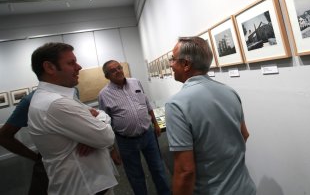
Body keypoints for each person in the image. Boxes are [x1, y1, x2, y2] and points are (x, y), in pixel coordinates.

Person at [165, 36, 256, 195]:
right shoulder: (230, 91)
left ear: (186, 64)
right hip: (244, 188)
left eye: (173, 59)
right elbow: (244, 134)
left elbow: (185, 171)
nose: (171, 64)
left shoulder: (176, 104)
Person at [28, 42, 118, 195]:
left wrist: (94, 130)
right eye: (71, 63)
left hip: (87, 185)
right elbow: (106, 137)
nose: (79, 67)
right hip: (86, 188)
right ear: (50, 67)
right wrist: (96, 133)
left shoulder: (58, 97)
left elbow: (99, 114)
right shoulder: (57, 103)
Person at [98, 60, 170, 195]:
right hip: (126, 141)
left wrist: (155, 124)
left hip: (148, 134)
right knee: (135, 175)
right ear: (107, 76)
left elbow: (146, 103)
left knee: (158, 168)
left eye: (119, 68)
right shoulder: (104, 94)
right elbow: (104, 123)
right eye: (113, 70)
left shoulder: (135, 82)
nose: (118, 71)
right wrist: (111, 149)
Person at [0, 91, 48, 195]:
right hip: (48, 164)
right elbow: (3, 136)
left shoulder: (73, 92)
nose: (77, 73)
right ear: (50, 73)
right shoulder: (31, 100)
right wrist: (37, 159)